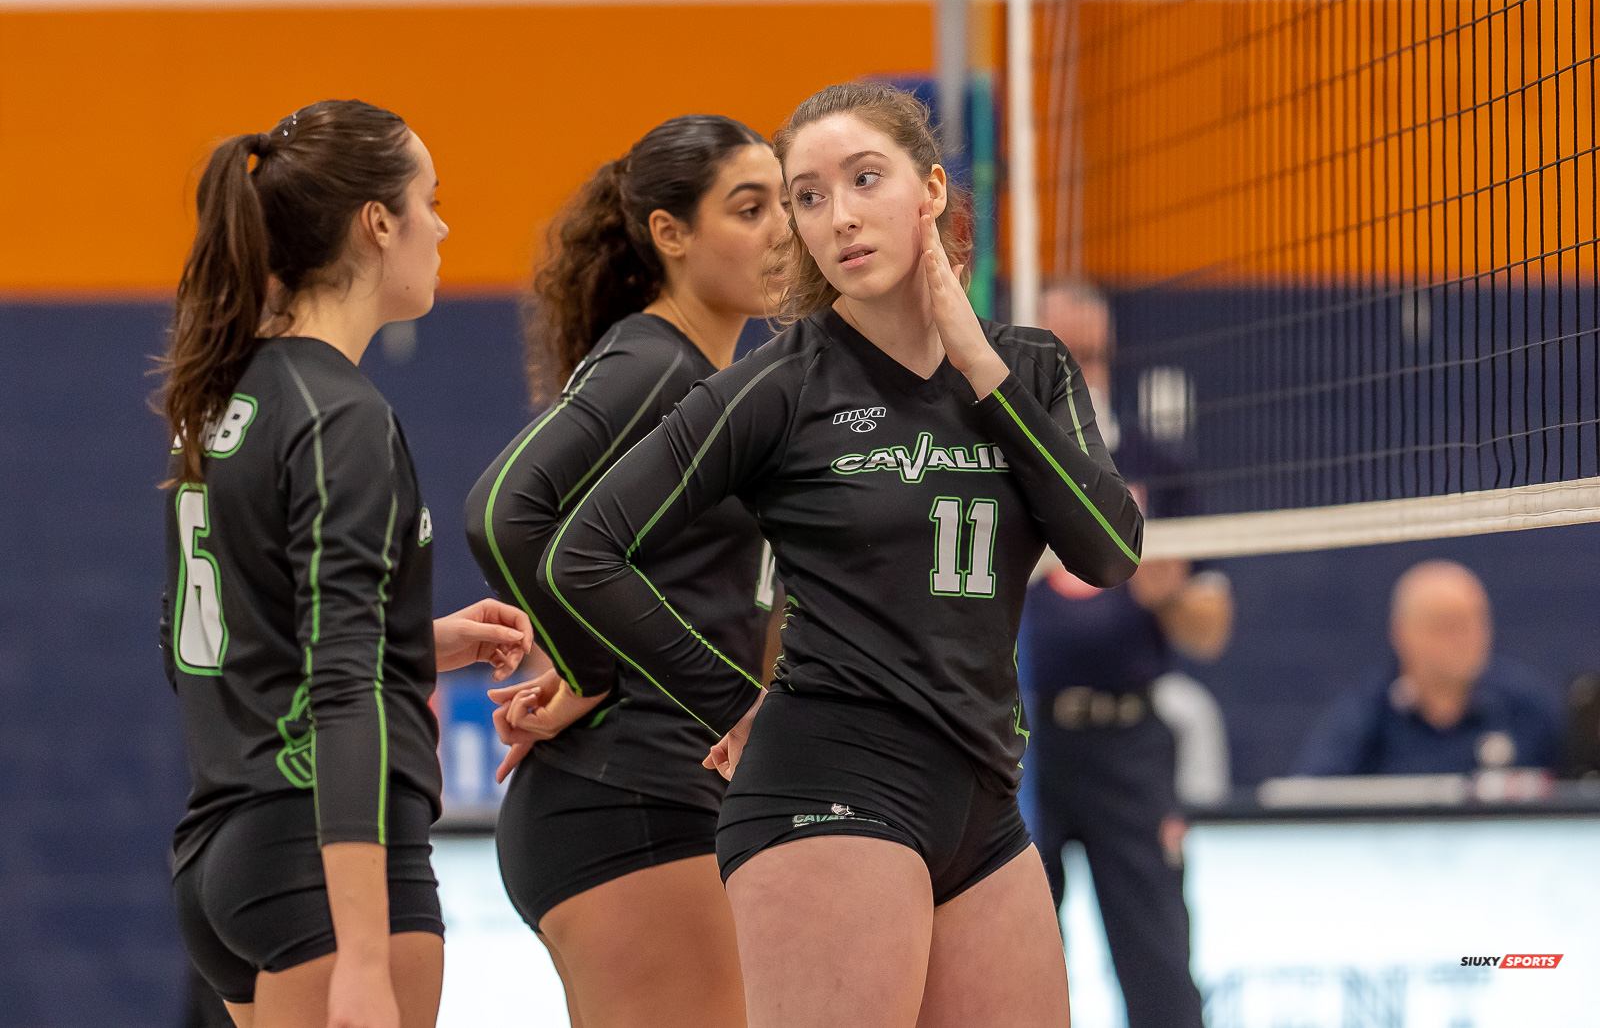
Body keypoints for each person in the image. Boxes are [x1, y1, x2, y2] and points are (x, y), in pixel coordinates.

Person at [542, 82, 1143, 1028]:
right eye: (808, 196)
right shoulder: (779, 384)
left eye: (865, 179)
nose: (840, 216)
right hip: (827, 782)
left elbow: (1108, 552)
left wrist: (978, 369)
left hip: (984, 798)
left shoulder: (1028, 367)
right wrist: (731, 700)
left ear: (931, 190)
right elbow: (581, 551)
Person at [158, 100, 533, 1028]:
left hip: (228, 847)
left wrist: (417, 638)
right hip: (322, 863)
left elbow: (223, 634)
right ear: (377, 223)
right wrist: (364, 954)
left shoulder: (225, 397)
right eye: (429, 201)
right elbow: (341, 686)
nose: (442, 227)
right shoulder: (339, 414)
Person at [462, 115, 787, 1028]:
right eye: (748, 208)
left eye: (782, 205)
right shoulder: (654, 360)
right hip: (626, 797)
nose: (779, 232)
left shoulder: (726, 380)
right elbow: (501, 509)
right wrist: (590, 670)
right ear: (670, 234)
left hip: (662, 794)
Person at [1017, 282, 1231, 1028]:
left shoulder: (1151, 459)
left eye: (1094, 353)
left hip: (1127, 744)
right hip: (1021, 744)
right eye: (1061, 350)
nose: (1080, 368)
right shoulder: (998, 459)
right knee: (1016, 965)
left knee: (1159, 965)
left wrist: (1165, 593)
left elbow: (1211, 625)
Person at [1295, 559, 1563, 776]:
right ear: (1402, 634)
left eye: (1474, 622)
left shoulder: (1528, 708)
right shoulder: (1364, 720)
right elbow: (1308, 807)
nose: (1465, 638)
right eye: (1446, 625)